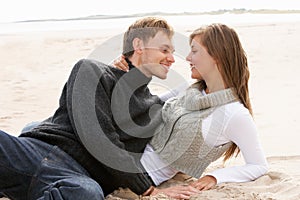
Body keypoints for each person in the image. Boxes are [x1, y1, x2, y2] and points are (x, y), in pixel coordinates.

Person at [0, 17, 199, 200]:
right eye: (164, 50)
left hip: (78, 176)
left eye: (172, 52)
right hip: (37, 152)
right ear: (138, 45)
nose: (172, 58)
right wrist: (147, 189)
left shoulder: (152, 107)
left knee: (87, 194)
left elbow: (198, 90)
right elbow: (99, 140)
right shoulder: (91, 70)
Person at [114, 23, 268, 198]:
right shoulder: (188, 89)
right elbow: (144, 104)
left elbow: (258, 165)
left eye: (194, 51)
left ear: (216, 56)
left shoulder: (234, 113)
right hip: (121, 154)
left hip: (136, 178)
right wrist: (122, 71)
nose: (187, 58)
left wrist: (214, 177)